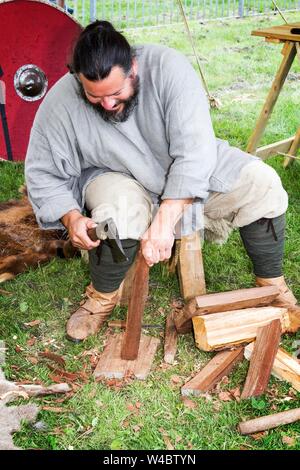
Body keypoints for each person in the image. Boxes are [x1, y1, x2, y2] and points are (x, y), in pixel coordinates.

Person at [25, 20, 296, 342]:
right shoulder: (60, 101)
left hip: (181, 164)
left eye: (115, 92)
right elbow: (42, 171)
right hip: (115, 172)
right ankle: (102, 297)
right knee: (115, 215)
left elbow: (195, 153)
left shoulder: (170, 70)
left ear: (133, 68)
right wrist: (71, 218)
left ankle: (272, 286)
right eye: (94, 96)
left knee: (261, 183)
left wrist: (165, 221)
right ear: (78, 78)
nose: (108, 105)